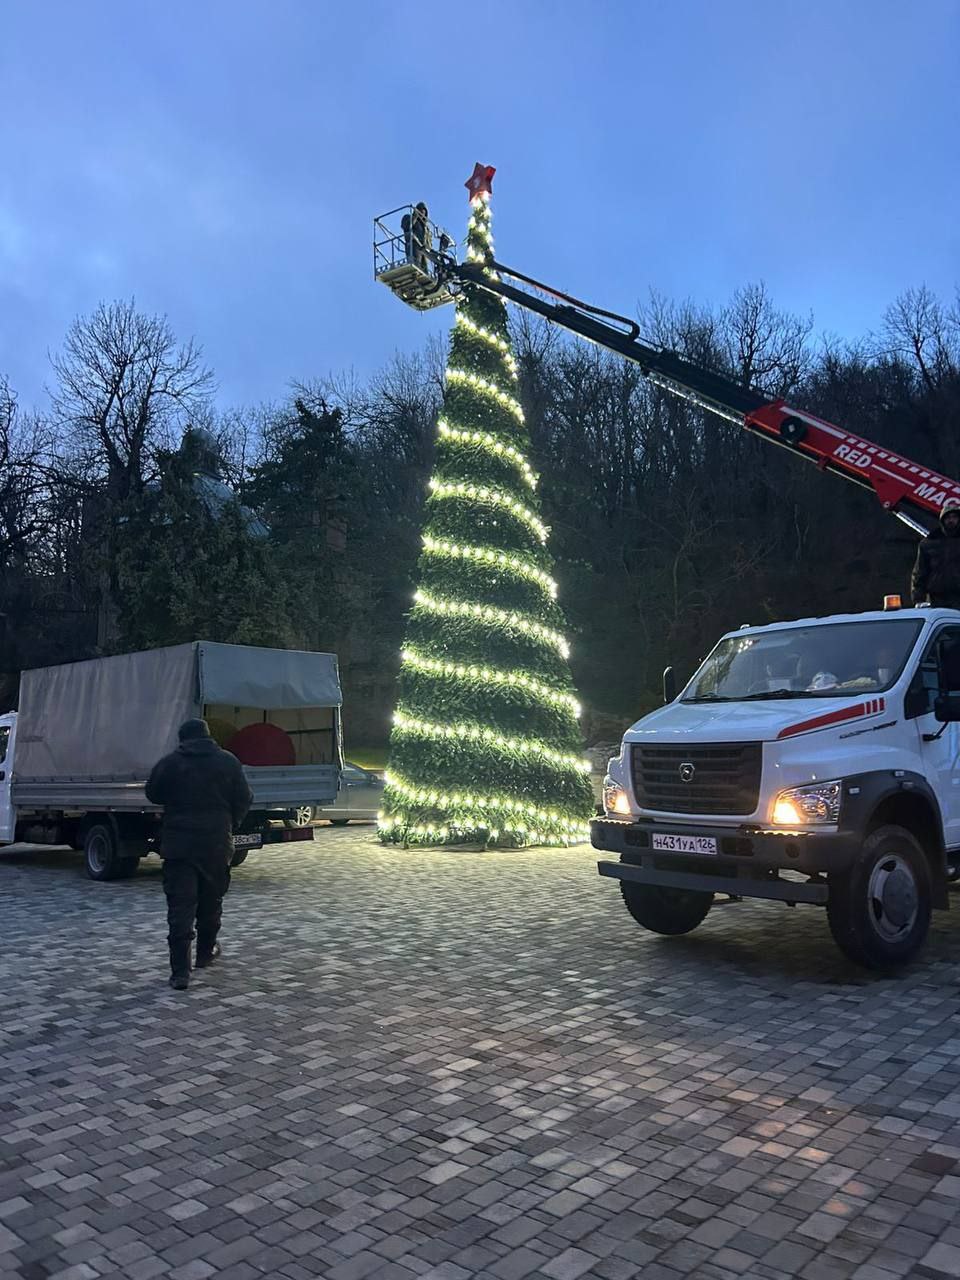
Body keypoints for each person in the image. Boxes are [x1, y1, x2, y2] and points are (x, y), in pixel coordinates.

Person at [145, 718, 253, 990]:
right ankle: (205, 953)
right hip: (215, 842)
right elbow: (244, 797)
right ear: (208, 736)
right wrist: (231, 822)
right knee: (211, 900)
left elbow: (152, 793)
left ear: (183, 739)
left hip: (179, 844)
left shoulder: (171, 763)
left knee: (180, 907)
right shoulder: (228, 762)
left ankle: (180, 972)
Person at [912, 498, 960, 609]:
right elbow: (920, 573)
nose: (951, 520)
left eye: (954, 517)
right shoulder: (929, 542)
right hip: (937, 599)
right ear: (942, 520)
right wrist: (919, 599)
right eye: (948, 517)